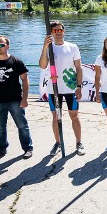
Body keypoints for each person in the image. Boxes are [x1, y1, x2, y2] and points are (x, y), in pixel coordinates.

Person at [0, 35, 33, 161]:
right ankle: (1, 149)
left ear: (7, 46)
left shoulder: (16, 62)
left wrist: (24, 98)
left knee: (22, 125)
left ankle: (27, 148)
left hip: (15, 99)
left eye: (1, 45)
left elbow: (25, 80)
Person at [39, 20, 85, 156]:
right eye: (55, 31)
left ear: (63, 31)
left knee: (74, 116)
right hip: (54, 89)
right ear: (51, 33)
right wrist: (44, 47)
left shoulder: (73, 47)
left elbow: (78, 68)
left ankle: (79, 142)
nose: (58, 33)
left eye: (60, 30)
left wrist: (79, 86)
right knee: (55, 117)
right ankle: (58, 143)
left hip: (70, 88)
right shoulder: (49, 48)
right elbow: (42, 65)